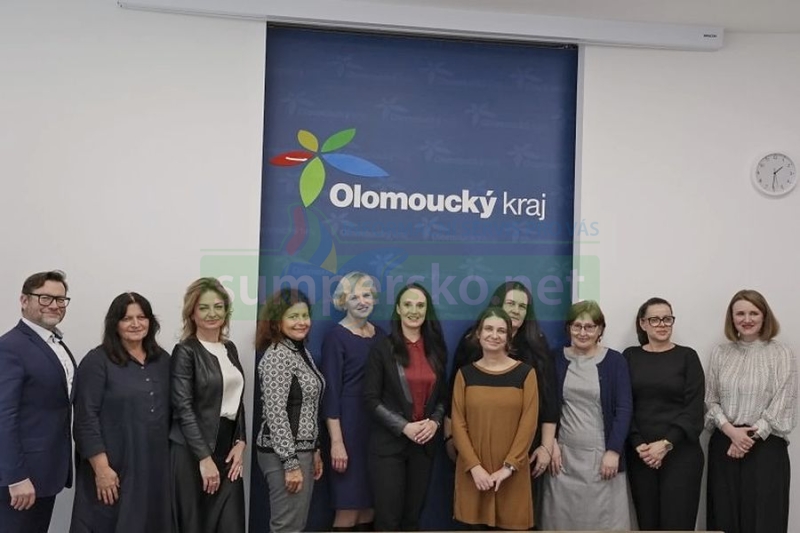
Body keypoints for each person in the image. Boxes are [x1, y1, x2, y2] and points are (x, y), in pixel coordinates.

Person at [445, 281, 557, 528]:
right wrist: (451, 440)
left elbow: (547, 404)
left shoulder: (535, 349)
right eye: (510, 303)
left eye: (522, 306)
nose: (516, 310)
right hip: (473, 455)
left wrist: (547, 445)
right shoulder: (468, 354)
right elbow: (455, 404)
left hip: (522, 455)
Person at [70, 292, 171, 532]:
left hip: (156, 468)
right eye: (126, 318)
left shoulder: (163, 360)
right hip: (114, 468)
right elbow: (85, 419)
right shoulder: (97, 361)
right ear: (114, 324)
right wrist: (101, 469)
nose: (135, 324)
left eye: (141, 317)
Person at [705, 289, 798, 533]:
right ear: (732, 318)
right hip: (724, 446)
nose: (747, 319)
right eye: (740, 314)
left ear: (764, 316)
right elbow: (711, 400)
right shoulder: (720, 353)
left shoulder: (781, 353)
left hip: (766, 448)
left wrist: (747, 438)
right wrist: (731, 432)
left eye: (754, 313)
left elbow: (784, 401)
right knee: (724, 518)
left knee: (765, 520)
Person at [541, 300, 632, 531]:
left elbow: (624, 409)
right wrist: (550, 443)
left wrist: (614, 451)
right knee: (559, 522)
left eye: (590, 327)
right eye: (577, 326)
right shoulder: (555, 358)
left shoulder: (615, 361)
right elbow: (546, 405)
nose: (583, 333)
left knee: (603, 523)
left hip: (602, 457)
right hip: (562, 458)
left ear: (600, 330)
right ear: (569, 328)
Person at [363, 283, 448, 531]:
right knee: (388, 521)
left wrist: (435, 422)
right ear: (398, 309)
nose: (414, 310)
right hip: (388, 447)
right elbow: (370, 399)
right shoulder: (382, 348)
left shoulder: (436, 348)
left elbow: (443, 397)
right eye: (408, 304)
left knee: (412, 520)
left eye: (420, 305)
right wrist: (404, 427)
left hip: (423, 448)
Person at [0, 270, 76, 533]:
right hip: (20, 480)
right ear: (24, 300)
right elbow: (3, 416)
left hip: (46, 473)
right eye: (45, 298)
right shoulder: (10, 347)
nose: (54, 305)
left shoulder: (55, 342)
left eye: (60, 299)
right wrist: (15, 477)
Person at [451, 307, 539, 530]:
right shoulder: (465, 375)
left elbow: (528, 424)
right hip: (474, 477)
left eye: (501, 331)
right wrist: (474, 467)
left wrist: (509, 467)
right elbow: (458, 424)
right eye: (488, 329)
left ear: (509, 337)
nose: (494, 335)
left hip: (512, 476)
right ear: (478, 334)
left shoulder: (526, 374)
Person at [170, 277, 246, 533]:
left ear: (226, 311)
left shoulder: (230, 348)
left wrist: (241, 441)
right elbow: (183, 408)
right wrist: (204, 457)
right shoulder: (185, 351)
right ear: (191, 313)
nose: (212, 313)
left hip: (227, 450)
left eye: (218, 306)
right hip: (192, 453)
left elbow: (236, 398)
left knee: (231, 524)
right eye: (203, 307)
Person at [623, 297, 704, 531]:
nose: (662, 324)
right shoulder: (630, 356)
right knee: (647, 525)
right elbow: (624, 405)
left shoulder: (688, 357)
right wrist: (638, 444)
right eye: (655, 319)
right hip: (642, 455)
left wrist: (666, 444)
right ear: (643, 323)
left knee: (677, 525)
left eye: (667, 319)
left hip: (681, 454)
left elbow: (694, 409)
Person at [255, 288, 325, 533]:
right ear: (277, 321)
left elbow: (308, 406)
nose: (301, 322)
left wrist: (314, 448)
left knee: (296, 525)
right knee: (286, 527)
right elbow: (276, 413)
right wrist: (290, 463)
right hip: (282, 453)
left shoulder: (299, 351)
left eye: (305, 315)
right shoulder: (278, 356)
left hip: (302, 451)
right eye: (293, 316)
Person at [321, 272, 386, 530]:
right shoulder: (335, 337)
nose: (362, 301)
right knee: (348, 510)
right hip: (347, 430)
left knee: (369, 510)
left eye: (366, 295)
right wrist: (337, 443)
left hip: (377, 432)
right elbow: (331, 393)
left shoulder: (381, 336)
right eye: (354, 297)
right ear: (343, 302)